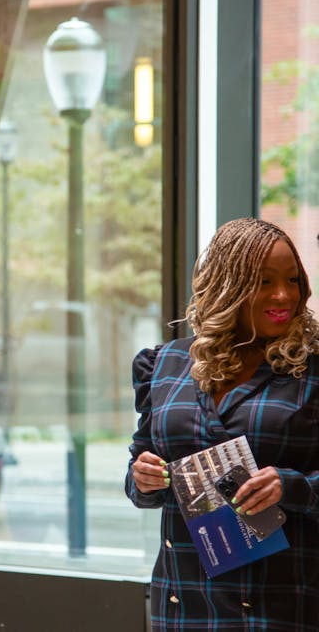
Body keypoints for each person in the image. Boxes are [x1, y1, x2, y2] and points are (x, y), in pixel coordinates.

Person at [125, 217, 319, 630]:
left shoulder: (313, 371)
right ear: (226, 286)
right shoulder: (164, 365)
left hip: (283, 601)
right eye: (264, 282)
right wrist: (142, 479)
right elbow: (139, 473)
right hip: (183, 600)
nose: (284, 295)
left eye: (292, 280)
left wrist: (291, 486)